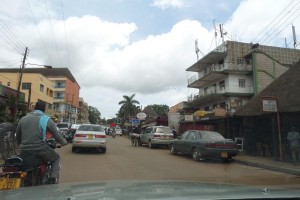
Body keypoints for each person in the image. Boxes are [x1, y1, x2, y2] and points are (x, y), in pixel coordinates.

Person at [16, 101, 67, 184]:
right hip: (40, 149)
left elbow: (18, 136)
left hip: (24, 150)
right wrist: (64, 143)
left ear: (34, 108)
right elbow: (57, 137)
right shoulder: (47, 120)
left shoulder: (23, 119)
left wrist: (21, 146)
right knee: (56, 158)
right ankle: (52, 178)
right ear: (44, 109)